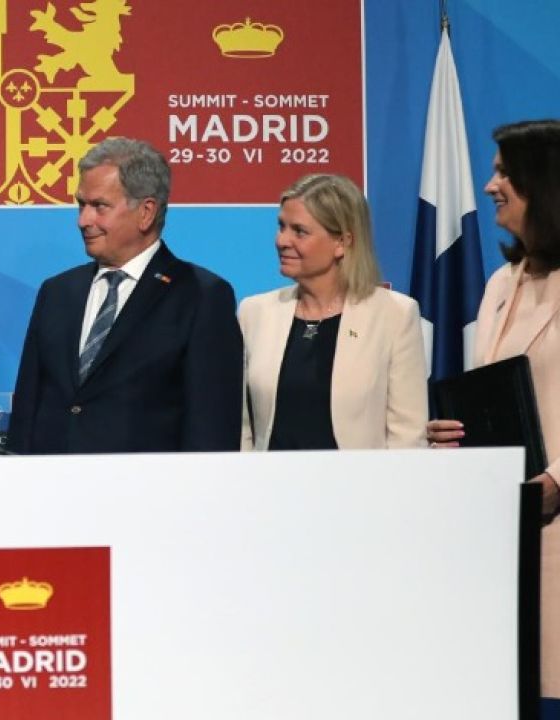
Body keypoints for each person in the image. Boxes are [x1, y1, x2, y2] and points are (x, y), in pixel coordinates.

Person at [428, 119, 560, 709]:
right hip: (502, 532)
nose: (489, 186)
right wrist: (454, 435)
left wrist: (556, 481)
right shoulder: (501, 283)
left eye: (504, 172)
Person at [7, 137, 242, 454]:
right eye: (81, 205)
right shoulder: (57, 292)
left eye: (99, 206)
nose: (83, 220)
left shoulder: (201, 296)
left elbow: (210, 429)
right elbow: (26, 412)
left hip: (148, 484)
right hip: (52, 482)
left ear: (146, 212)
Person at [239, 174, 427, 450]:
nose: (282, 240)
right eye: (281, 227)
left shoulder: (395, 314)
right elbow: (243, 428)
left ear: (342, 242)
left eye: (299, 231)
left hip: (358, 478)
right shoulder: (254, 313)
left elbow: (407, 436)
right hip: (272, 477)